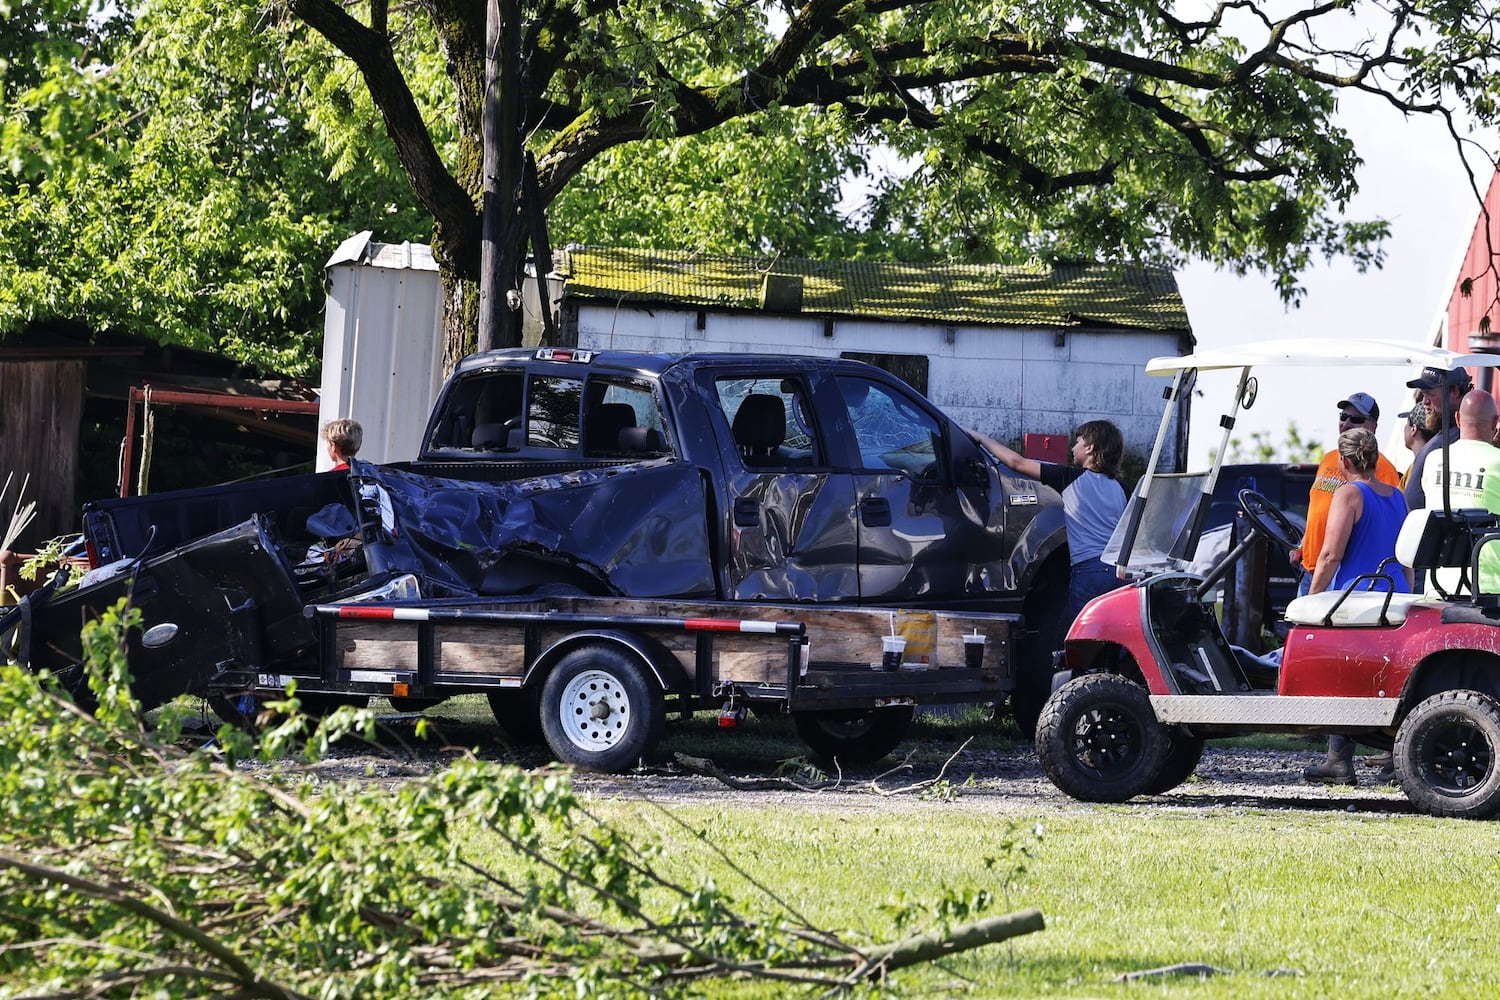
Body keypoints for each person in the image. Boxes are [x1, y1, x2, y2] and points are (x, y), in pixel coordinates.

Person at [1303, 427, 1411, 786]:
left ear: (1345, 460)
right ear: (1375, 458)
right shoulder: (1397, 497)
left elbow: (1331, 554)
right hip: (1394, 594)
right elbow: (1406, 557)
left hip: (1357, 596)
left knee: (1342, 677)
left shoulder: (1348, 494)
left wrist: (1310, 599)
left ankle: (1338, 760)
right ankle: (1394, 757)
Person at [971, 421, 1128, 623]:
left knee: (1084, 639)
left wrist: (980, 438)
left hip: (1088, 571)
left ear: (1089, 448)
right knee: (1115, 630)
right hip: (1118, 572)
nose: (1073, 447)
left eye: (1078, 442)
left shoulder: (1069, 477)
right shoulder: (1122, 488)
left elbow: (1016, 462)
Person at [1288, 392, 1400, 597]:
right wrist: (1303, 546)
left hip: (1341, 570)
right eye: (1343, 417)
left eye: (1356, 419)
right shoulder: (1330, 458)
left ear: (1373, 427)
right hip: (1310, 568)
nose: (1347, 423)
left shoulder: (1383, 468)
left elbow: (1386, 523)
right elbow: (1317, 509)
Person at [1418, 388, 1500, 595]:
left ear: (1457, 418)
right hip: (1490, 590)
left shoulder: (1435, 460)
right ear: (1495, 422)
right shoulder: (1497, 462)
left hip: (1439, 586)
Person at [1403, 365, 1473, 511]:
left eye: (1429, 393)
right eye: (1423, 394)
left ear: (1455, 392)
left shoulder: (1465, 440)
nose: (1424, 402)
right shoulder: (1446, 437)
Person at [1396, 398, 1437, 490]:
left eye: (1407, 423)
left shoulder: (1415, 470)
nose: (1404, 428)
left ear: (1413, 429)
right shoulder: (1437, 462)